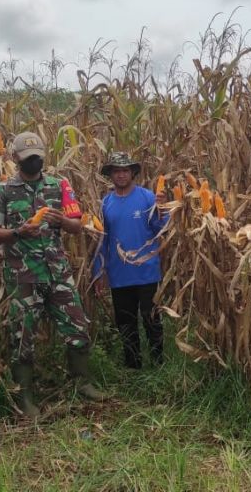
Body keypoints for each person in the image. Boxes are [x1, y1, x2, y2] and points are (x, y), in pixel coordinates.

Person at [0, 132, 104, 420]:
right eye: (27, 158)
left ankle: (81, 381)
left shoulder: (60, 185)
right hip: (23, 276)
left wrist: (61, 220)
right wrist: (17, 232)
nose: (33, 161)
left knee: (78, 328)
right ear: (15, 158)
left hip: (57, 272)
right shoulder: (2, 191)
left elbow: (77, 226)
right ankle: (25, 397)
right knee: (22, 336)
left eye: (37, 156)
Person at [92, 152, 168, 369]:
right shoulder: (105, 204)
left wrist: (162, 209)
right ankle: (133, 367)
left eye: (125, 170)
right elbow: (102, 242)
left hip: (147, 272)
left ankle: (158, 364)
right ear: (111, 175)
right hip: (119, 276)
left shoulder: (147, 197)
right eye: (117, 171)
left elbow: (161, 228)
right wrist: (99, 272)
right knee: (126, 324)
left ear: (133, 172)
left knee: (152, 320)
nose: (121, 175)